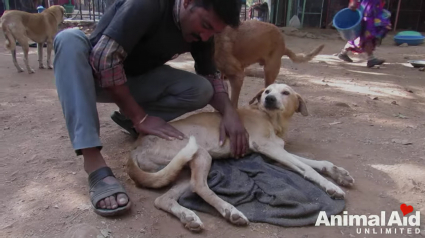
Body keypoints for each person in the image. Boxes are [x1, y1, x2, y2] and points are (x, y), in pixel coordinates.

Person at [53, 0, 248, 217]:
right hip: (93, 75)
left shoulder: (202, 32)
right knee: (68, 39)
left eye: (213, 32)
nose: (205, 36)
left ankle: (130, 122)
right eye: (205, 26)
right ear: (188, 2)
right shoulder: (148, 4)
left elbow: (210, 77)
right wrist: (141, 116)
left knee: (201, 89)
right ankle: (93, 162)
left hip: (132, 80)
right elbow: (105, 59)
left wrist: (231, 114)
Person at [337, 0, 391, 67]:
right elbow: (354, 4)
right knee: (368, 37)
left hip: (372, 15)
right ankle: (371, 59)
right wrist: (353, 4)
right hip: (367, 16)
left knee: (360, 37)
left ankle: (343, 53)